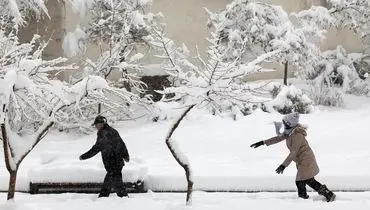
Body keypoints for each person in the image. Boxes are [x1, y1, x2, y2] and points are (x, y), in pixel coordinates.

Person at [250, 112, 336, 202]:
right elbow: (278, 138)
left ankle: (304, 200)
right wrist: (263, 142)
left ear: (289, 124)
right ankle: (326, 195)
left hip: (306, 160)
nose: (283, 124)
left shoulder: (297, 135)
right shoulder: (290, 132)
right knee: (308, 180)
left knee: (301, 181)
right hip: (302, 160)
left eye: (285, 122)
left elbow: (293, 153)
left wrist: (283, 165)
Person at [80, 115, 130, 198]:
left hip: (112, 161)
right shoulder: (113, 131)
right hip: (116, 161)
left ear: (102, 124)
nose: (96, 126)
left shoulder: (104, 133)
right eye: (95, 125)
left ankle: (107, 197)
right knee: (114, 181)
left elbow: (96, 148)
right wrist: (126, 156)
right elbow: (122, 144)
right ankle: (115, 197)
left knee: (114, 182)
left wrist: (84, 156)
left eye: (97, 124)